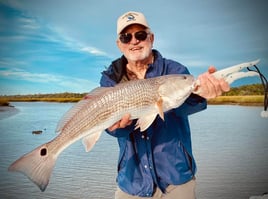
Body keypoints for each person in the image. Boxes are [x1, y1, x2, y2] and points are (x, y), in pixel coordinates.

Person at [100, 11, 230, 199]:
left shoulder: (175, 71)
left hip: (176, 179)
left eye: (141, 35)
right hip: (132, 182)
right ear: (119, 44)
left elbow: (184, 107)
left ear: (151, 38)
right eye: (126, 37)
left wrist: (200, 94)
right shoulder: (110, 79)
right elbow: (114, 129)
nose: (134, 41)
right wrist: (115, 128)